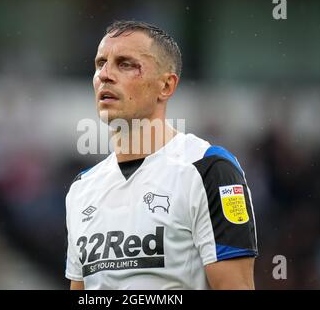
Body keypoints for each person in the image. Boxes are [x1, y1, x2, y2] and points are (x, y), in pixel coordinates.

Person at [65, 20, 258, 290]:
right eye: (100, 64)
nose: (105, 75)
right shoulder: (81, 189)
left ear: (166, 86)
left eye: (125, 64)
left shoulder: (209, 169)